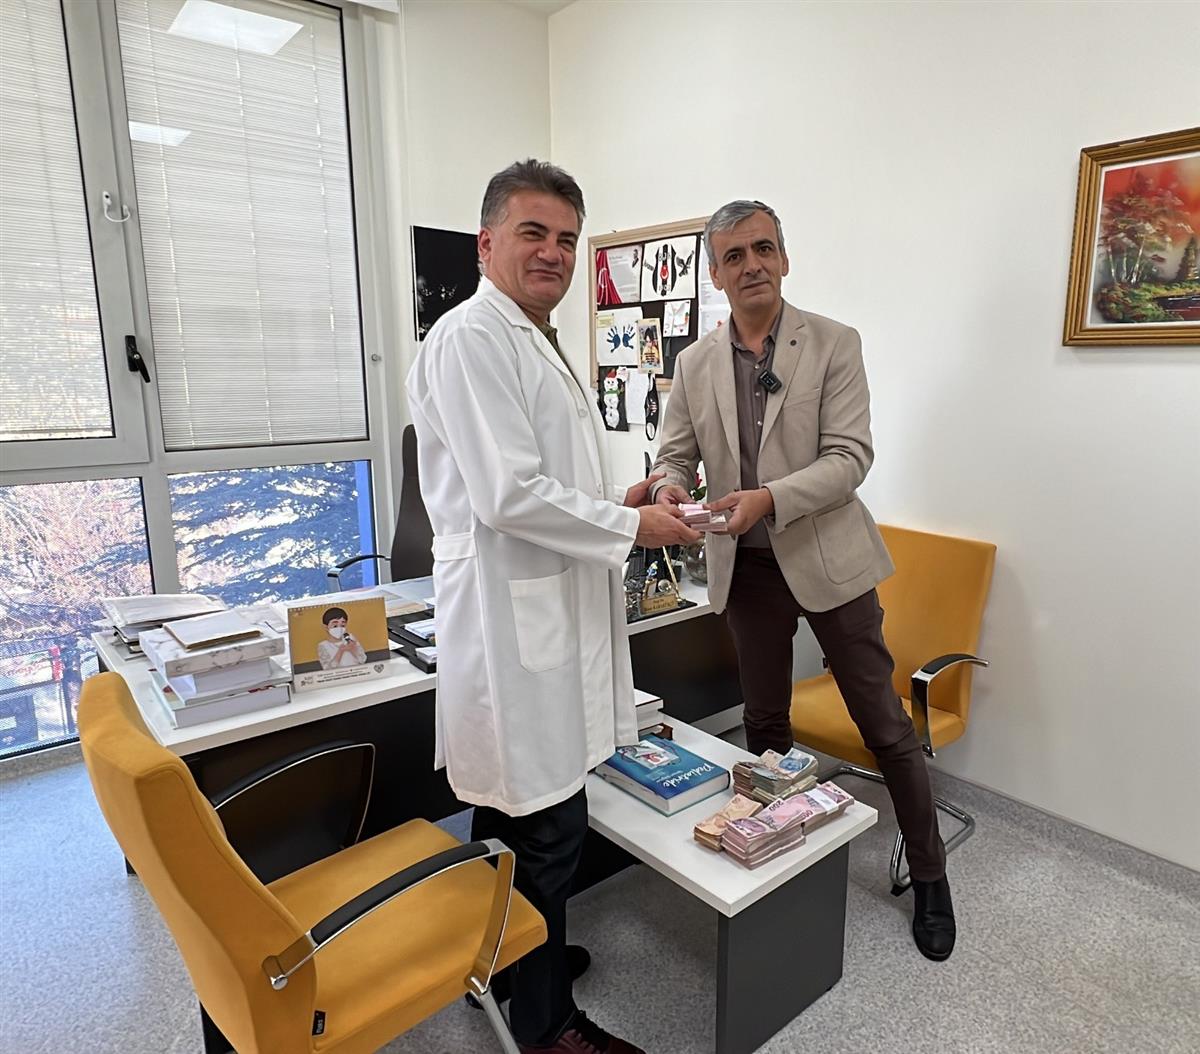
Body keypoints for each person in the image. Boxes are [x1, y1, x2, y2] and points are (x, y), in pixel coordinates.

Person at [406, 159, 698, 1054]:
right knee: (547, 826)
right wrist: (631, 524)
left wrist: (621, 498)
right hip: (510, 620)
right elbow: (508, 494)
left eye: (567, 239)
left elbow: (544, 480)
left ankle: (508, 967)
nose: (554, 253)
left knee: (514, 818)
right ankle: (545, 1026)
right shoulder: (472, 336)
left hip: (541, 604)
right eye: (533, 233)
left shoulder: (531, 336)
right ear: (486, 242)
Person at [650, 200, 957, 962]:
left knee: (885, 726)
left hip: (830, 561)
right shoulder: (693, 363)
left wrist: (769, 499)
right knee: (765, 725)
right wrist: (666, 487)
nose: (751, 264)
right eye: (734, 255)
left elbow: (851, 457)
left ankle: (930, 876)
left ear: (784, 259)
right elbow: (673, 454)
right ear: (715, 274)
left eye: (763, 248)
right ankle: (777, 856)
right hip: (747, 569)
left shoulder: (833, 343)